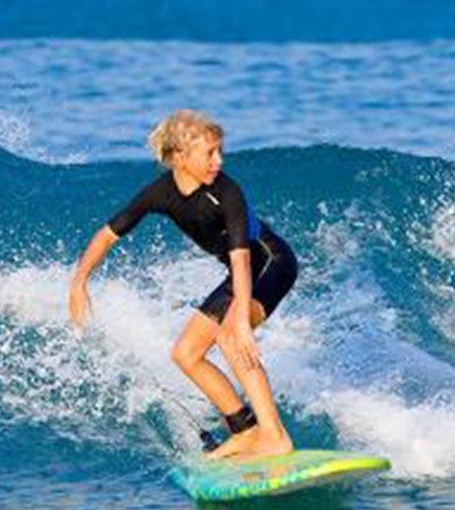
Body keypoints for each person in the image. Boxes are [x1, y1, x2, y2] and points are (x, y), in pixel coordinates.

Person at [68, 110, 297, 460]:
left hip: (271, 263)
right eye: (210, 153)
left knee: (232, 337)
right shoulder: (159, 194)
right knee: (186, 354)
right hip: (240, 274)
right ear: (179, 157)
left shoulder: (227, 192)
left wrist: (240, 320)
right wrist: (80, 282)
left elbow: (242, 259)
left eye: (220, 151)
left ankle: (275, 437)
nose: (218, 161)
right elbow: (107, 235)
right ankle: (246, 432)